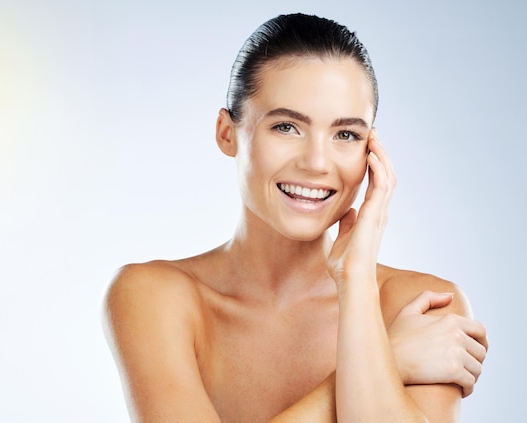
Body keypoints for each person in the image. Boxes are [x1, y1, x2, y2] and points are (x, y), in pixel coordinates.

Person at [102, 13, 488, 422]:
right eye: (286, 127)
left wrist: (356, 281)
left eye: (346, 135)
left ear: (371, 153)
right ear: (227, 133)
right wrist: (386, 359)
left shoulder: (425, 309)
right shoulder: (154, 296)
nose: (317, 163)